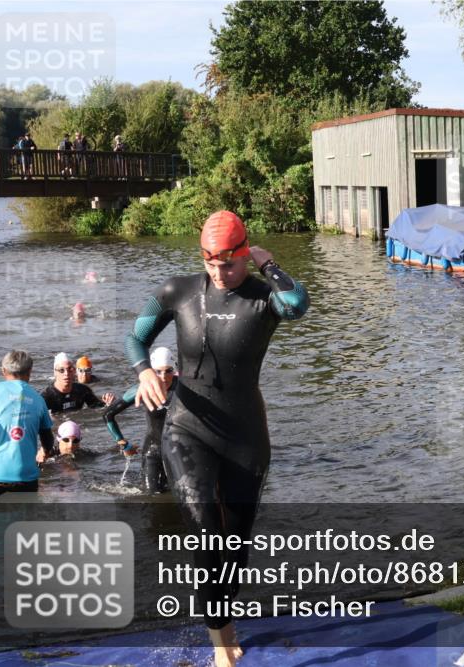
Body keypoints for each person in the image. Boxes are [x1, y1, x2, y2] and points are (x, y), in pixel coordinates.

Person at [126, 210, 308, 666]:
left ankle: (225, 619)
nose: (218, 273)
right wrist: (143, 370)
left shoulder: (265, 298)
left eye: (227, 264)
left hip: (245, 435)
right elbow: (135, 337)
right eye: (210, 263)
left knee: (235, 547)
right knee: (207, 535)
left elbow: (298, 304)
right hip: (186, 427)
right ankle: (220, 642)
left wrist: (269, 264)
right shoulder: (179, 290)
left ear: (245, 254)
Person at [0, 350, 55, 500]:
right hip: (26, 481)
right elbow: (47, 438)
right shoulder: (39, 400)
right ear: (30, 371)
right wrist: (45, 451)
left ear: (3, 370)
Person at [103, 347, 177, 493]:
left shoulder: (185, 387)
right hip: (153, 450)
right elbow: (108, 415)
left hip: (180, 451)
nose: (163, 377)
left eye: (168, 371)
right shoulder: (142, 389)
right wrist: (123, 444)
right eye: (158, 371)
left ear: (174, 370)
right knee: (151, 496)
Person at [41, 353, 115, 414]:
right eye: (61, 370)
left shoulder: (82, 390)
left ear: (74, 371)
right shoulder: (45, 398)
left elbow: (98, 408)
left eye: (70, 369)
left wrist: (108, 404)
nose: (66, 374)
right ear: (55, 373)